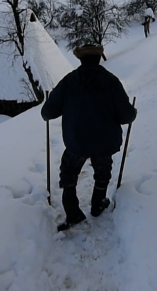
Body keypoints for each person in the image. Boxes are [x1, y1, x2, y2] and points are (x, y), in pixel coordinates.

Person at [41, 44, 137, 231]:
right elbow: (126, 116)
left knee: (69, 171)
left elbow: (48, 113)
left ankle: (73, 212)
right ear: (99, 58)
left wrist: (49, 106)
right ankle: (98, 205)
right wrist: (132, 112)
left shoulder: (69, 81)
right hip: (105, 141)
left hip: (76, 141)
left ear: (80, 59)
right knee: (102, 171)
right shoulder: (111, 81)